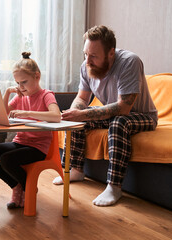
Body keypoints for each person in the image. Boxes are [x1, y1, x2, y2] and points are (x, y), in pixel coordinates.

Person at [52, 25, 158, 206]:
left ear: (111, 53)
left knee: (118, 122)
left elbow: (124, 108)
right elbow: (82, 98)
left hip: (142, 115)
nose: (87, 60)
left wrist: (83, 113)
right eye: (85, 54)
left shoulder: (129, 62)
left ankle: (114, 187)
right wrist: (74, 114)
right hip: (116, 114)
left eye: (93, 56)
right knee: (78, 118)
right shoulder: (86, 66)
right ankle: (75, 169)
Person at [0, 52, 61, 209]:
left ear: (37, 76)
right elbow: (1, 114)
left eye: (24, 82)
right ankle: (18, 185)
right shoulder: (21, 96)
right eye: (17, 83)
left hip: (38, 147)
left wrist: (27, 113)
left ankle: (27, 186)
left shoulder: (46, 95)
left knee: (7, 159)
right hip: (20, 142)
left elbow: (56, 116)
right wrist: (7, 93)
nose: (21, 87)